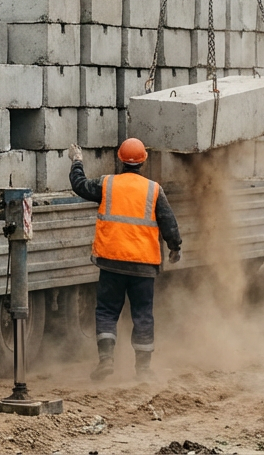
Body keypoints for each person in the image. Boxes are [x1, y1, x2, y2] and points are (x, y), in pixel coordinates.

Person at [69, 138, 182, 381]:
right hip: (143, 266)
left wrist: (77, 162)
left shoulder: (107, 184)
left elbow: (79, 186)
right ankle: (142, 369)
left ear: (120, 159)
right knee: (142, 315)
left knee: (107, 312)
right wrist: (175, 248)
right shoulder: (154, 189)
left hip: (112, 262)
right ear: (143, 161)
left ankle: (106, 360)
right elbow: (169, 224)